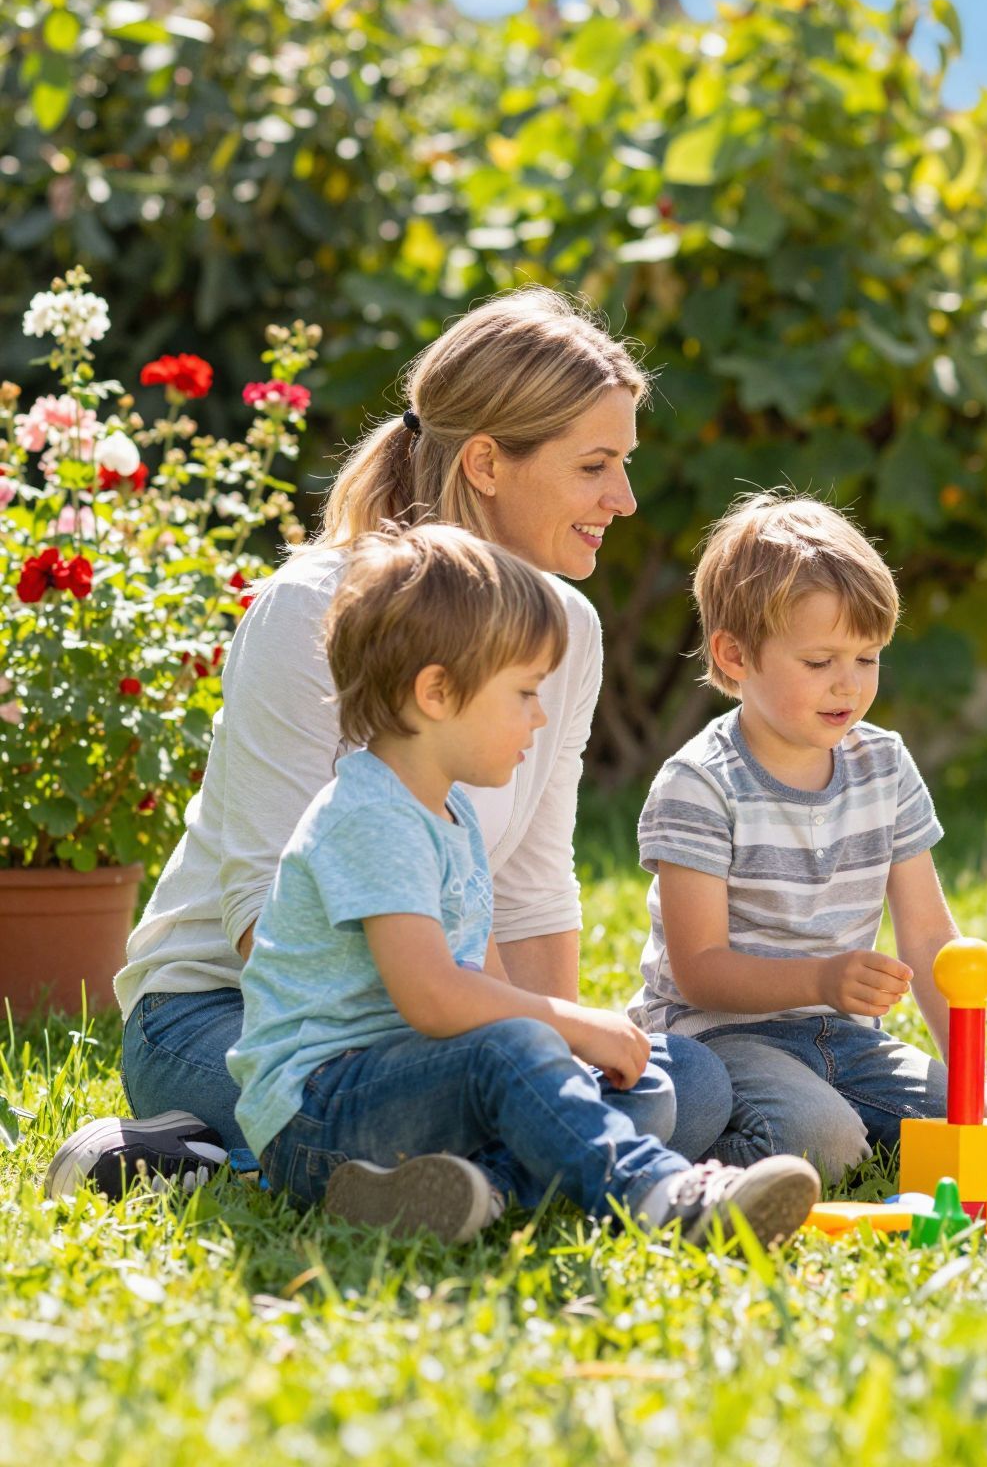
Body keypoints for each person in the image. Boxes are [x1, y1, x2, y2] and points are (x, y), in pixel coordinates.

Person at [46, 287, 735, 1200]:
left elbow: (531, 891)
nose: (625, 499)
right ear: (486, 463)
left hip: (451, 1018)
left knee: (685, 1083)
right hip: (238, 1017)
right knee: (530, 1093)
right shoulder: (313, 611)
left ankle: (409, 1178)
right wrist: (488, 1050)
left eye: (625, 464)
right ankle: (229, 1157)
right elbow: (259, 921)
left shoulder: (565, 629)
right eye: (595, 466)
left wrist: (555, 1050)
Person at [222, 526, 817, 1243]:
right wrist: (567, 1026)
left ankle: (449, 1194)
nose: (539, 715)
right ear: (437, 692)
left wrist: (569, 1050)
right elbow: (435, 997)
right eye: (525, 692)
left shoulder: (449, 810)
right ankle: (663, 1195)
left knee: (650, 1083)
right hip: (321, 1112)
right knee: (520, 1051)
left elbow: (482, 979)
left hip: (416, 1088)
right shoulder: (371, 816)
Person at [630, 491, 987, 1179]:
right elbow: (699, 968)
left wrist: (973, 1084)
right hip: (722, 1037)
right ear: (734, 656)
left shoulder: (884, 764)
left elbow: (929, 940)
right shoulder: (699, 783)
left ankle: (843, 1124)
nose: (847, 686)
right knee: (822, 1142)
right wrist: (820, 977)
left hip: (846, 1040)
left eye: (868, 658)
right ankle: (695, 1170)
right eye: (820, 662)